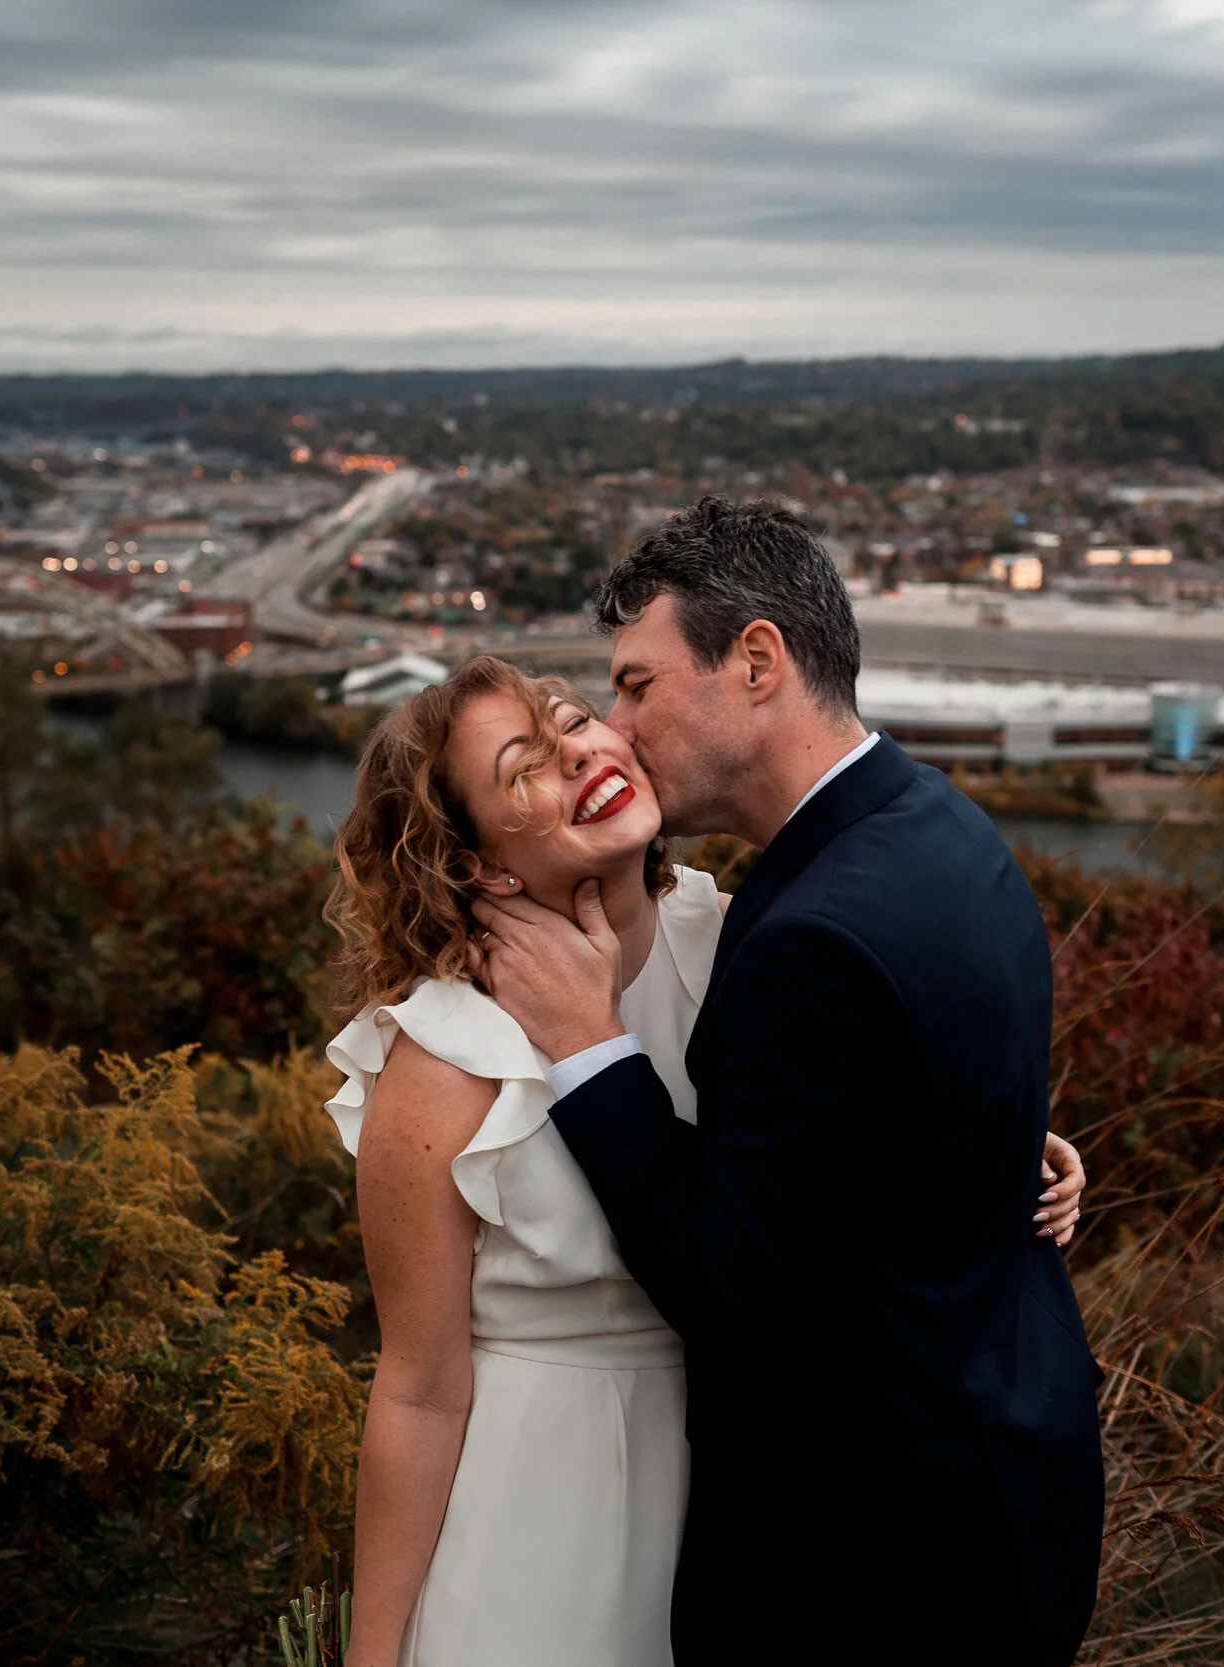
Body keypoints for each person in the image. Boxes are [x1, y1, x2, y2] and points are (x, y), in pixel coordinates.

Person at [324, 655, 1087, 1667]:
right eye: (524, 767)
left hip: (755, 1522)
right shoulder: (441, 1062)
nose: (583, 752)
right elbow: (418, 1390)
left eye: (573, 720)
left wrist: (1000, 1149)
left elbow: (834, 1129)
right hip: (537, 1522)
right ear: (482, 866)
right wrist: (372, 1651)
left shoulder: (751, 941)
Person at [472, 496, 1106, 1667]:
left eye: (636, 685)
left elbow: (728, 1276)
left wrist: (583, 1042)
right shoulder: (934, 824)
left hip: (877, 1563)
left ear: (756, 659)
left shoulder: (815, 930)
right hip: (1011, 1475)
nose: (616, 726)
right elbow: (908, 1100)